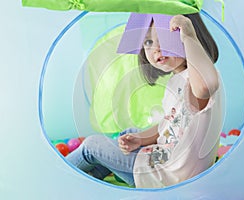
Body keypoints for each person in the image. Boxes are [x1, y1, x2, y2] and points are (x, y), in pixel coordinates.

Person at [66, 13, 223, 188]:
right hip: (168, 163)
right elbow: (170, 124)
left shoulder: (199, 78)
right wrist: (140, 139)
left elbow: (203, 89)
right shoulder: (178, 79)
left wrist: (189, 36)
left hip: (169, 176)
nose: (156, 49)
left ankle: (58, 175)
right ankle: (93, 177)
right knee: (130, 133)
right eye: (148, 42)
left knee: (91, 146)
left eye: (165, 37)